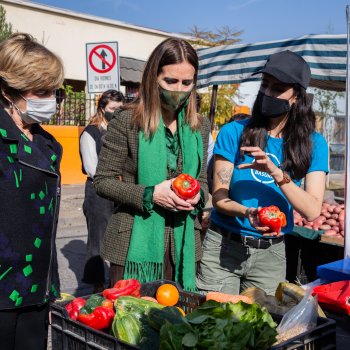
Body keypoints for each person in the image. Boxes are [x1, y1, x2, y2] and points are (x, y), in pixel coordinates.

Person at [196, 50, 328, 295]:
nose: (268, 93)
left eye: (278, 89)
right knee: (214, 323)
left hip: (271, 255)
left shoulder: (314, 144)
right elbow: (219, 197)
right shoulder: (234, 131)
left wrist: (277, 173)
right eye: (265, 85)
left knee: (259, 328)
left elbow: (312, 210)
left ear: (296, 97)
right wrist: (248, 212)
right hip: (223, 246)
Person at [94, 37, 210, 291]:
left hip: (183, 246)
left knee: (177, 322)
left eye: (186, 82)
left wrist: (197, 196)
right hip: (134, 244)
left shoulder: (199, 126)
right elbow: (103, 181)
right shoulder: (126, 121)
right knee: (132, 323)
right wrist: (150, 194)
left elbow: (202, 181)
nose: (178, 89)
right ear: (152, 78)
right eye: (170, 81)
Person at [0, 33, 64, 349]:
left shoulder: (47, 144)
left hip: (35, 292)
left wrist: (51, 289)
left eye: (54, 91)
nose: (50, 99)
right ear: (7, 91)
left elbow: (47, 225)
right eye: (41, 92)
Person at [80, 90, 125, 293]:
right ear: (102, 108)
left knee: (120, 238)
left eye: (119, 109)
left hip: (120, 190)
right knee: (97, 240)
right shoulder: (91, 132)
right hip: (98, 192)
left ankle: (117, 283)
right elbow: (91, 167)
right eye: (112, 109)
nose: (116, 112)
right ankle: (97, 286)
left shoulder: (121, 131)